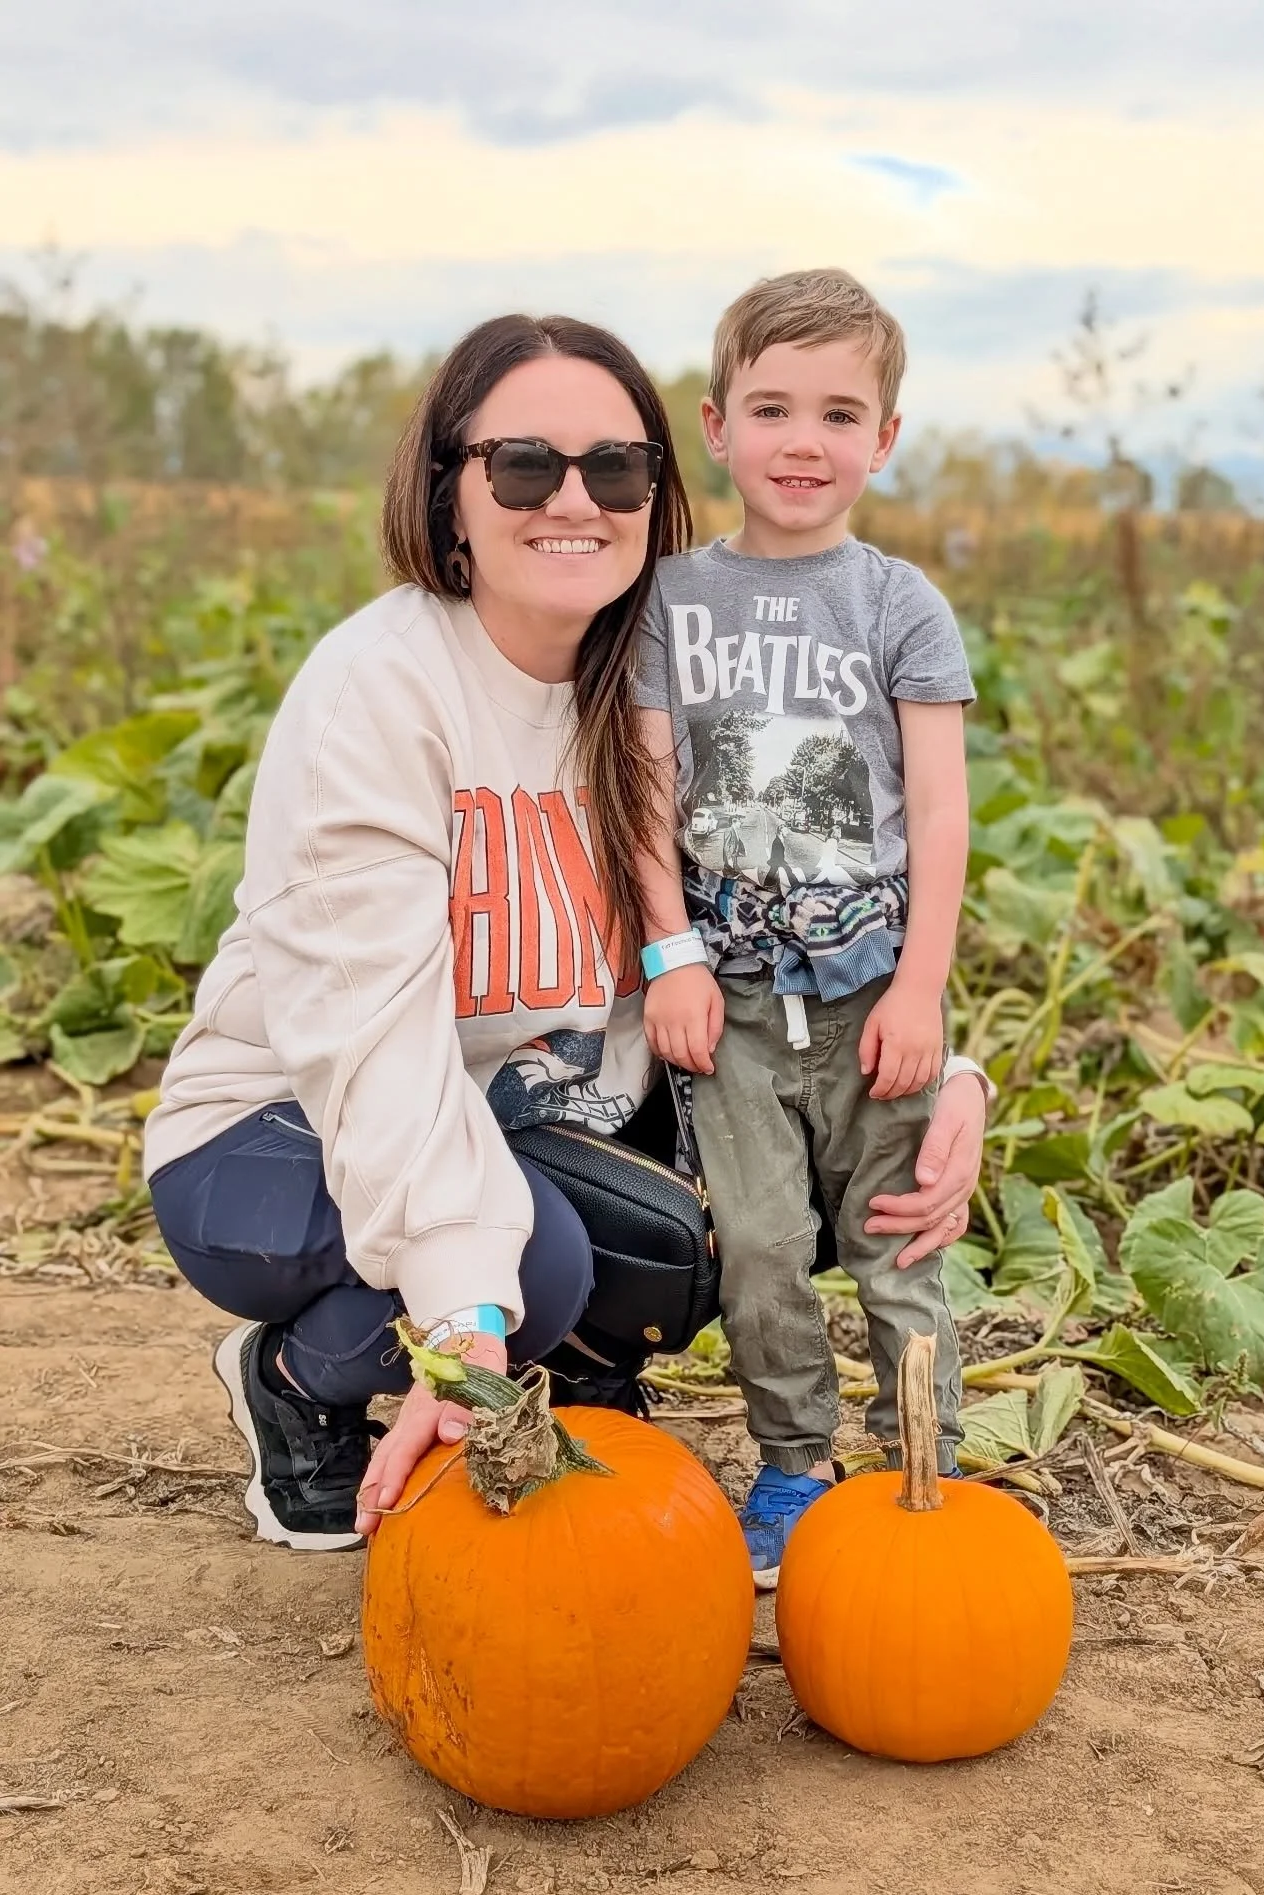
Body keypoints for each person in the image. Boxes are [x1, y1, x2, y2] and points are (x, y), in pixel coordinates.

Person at [143, 310, 990, 1554]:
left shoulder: (651, 683)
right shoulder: (378, 691)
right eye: (525, 465)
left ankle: (560, 1337)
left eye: (617, 467)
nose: (573, 500)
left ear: (660, 486)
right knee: (531, 1271)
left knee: (693, 1247)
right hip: (286, 1123)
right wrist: (468, 1336)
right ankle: (298, 1381)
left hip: (522, 1115)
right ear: (450, 493)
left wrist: (943, 1070)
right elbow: (376, 1058)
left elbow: (775, 910)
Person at [638, 268, 981, 1585]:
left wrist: (923, 993)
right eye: (772, 408)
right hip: (726, 1006)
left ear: (883, 440)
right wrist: (670, 947)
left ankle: (922, 1466)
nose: (803, 441)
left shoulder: (898, 607)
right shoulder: (672, 602)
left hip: (866, 998)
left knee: (899, 1244)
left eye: (840, 414)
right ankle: (792, 1464)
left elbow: (939, 816)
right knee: (765, 1251)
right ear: (717, 425)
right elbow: (646, 793)